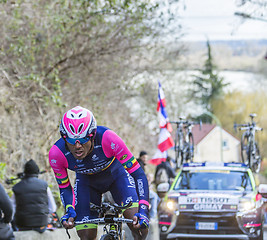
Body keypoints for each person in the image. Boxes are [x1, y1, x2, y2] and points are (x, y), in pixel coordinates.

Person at [49, 106, 149, 240]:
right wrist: (69, 210)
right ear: (64, 138)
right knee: (86, 236)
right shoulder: (57, 154)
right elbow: (64, 187)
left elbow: (139, 175)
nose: (78, 146)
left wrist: (143, 210)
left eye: (83, 139)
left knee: (140, 228)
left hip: (117, 178)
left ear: (92, 135)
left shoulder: (108, 139)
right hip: (87, 184)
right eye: (72, 141)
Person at [12, 159, 49, 233]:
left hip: (22, 224)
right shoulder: (44, 185)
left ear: (25, 172)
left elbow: (12, 208)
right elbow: (53, 208)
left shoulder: (16, 187)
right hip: (41, 224)